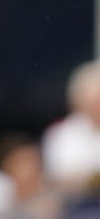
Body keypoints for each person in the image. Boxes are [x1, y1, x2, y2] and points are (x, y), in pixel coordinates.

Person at [42, 60, 100, 215]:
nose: (97, 105)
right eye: (93, 100)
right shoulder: (61, 134)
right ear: (78, 101)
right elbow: (58, 179)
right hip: (72, 207)